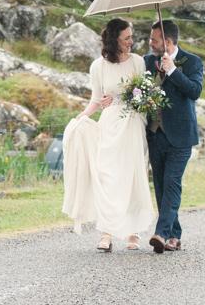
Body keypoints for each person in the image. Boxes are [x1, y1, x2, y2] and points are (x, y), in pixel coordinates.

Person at [60, 18, 156, 252]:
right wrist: (81, 118)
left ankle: (133, 233)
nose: (132, 41)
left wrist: (126, 99)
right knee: (108, 176)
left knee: (132, 175)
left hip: (132, 124)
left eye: (131, 36)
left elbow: (144, 95)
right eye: (127, 38)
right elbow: (96, 100)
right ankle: (106, 232)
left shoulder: (137, 62)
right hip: (110, 124)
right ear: (114, 40)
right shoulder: (98, 66)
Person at [144, 19, 204, 253]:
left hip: (180, 136)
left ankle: (161, 233)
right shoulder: (147, 61)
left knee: (172, 183)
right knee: (160, 186)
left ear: (168, 42)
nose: (150, 43)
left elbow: (194, 91)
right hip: (155, 135)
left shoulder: (192, 62)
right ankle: (174, 235)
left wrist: (172, 70)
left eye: (154, 39)